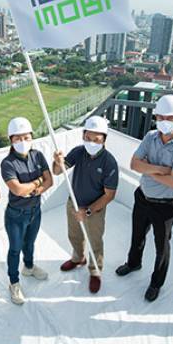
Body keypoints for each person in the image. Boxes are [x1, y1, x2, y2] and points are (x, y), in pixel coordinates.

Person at [116, 94, 173, 302]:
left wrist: (148, 168)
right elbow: (134, 164)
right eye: (160, 117)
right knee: (137, 235)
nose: (163, 121)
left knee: (162, 245)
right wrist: (161, 169)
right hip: (143, 196)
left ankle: (156, 283)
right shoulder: (151, 136)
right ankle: (133, 263)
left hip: (165, 204)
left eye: (169, 118)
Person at [53, 115, 118, 294]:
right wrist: (57, 162)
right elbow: (57, 171)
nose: (91, 143)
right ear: (83, 135)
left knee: (95, 240)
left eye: (96, 140)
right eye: (87, 138)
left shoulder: (109, 162)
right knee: (74, 235)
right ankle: (78, 258)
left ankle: (95, 270)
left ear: (104, 140)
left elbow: (109, 195)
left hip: (94, 210)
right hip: (73, 203)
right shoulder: (78, 152)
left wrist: (87, 211)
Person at [0, 117, 53, 305]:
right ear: (11, 140)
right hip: (16, 214)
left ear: (31, 137)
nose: (22, 141)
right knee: (15, 249)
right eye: (18, 138)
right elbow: (18, 190)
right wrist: (38, 181)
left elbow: (50, 180)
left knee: (30, 243)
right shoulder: (8, 163)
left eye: (26, 137)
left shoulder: (37, 155)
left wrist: (36, 189)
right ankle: (13, 283)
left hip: (35, 210)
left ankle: (29, 267)